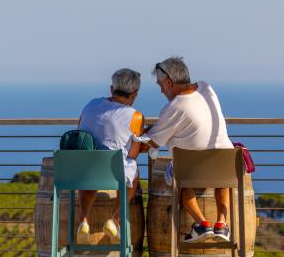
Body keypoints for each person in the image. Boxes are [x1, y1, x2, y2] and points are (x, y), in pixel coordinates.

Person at [145, 56, 233, 243]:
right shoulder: (206, 88)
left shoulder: (174, 107)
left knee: (177, 173)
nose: (161, 90)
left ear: (169, 82)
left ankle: (201, 223)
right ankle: (222, 224)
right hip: (226, 165)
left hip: (191, 171)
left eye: (160, 85)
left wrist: (141, 136)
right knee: (221, 173)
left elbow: (152, 143)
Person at [76, 68, 144, 244]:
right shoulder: (135, 116)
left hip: (82, 171)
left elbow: (79, 133)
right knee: (133, 173)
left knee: (91, 166)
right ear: (135, 93)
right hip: (113, 174)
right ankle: (114, 220)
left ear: (111, 88)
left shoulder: (90, 105)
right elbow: (133, 154)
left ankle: (83, 220)